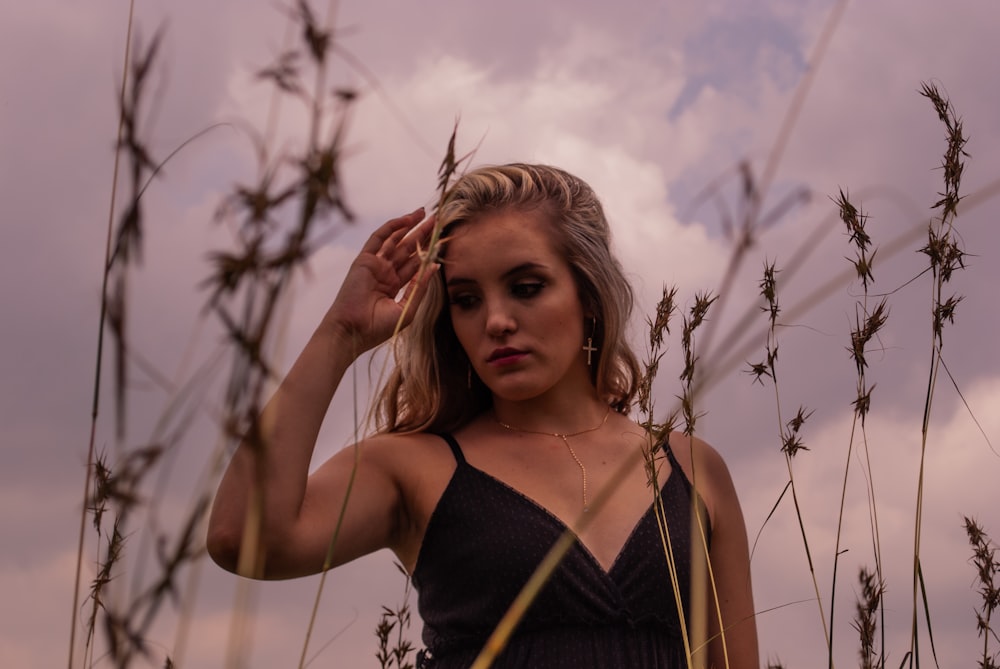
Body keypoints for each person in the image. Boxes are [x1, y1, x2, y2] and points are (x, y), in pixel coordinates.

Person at [207, 163, 759, 668]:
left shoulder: (691, 468)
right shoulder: (416, 466)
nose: (495, 320)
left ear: (588, 294)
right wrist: (341, 334)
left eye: (526, 288)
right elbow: (244, 538)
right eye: (466, 300)